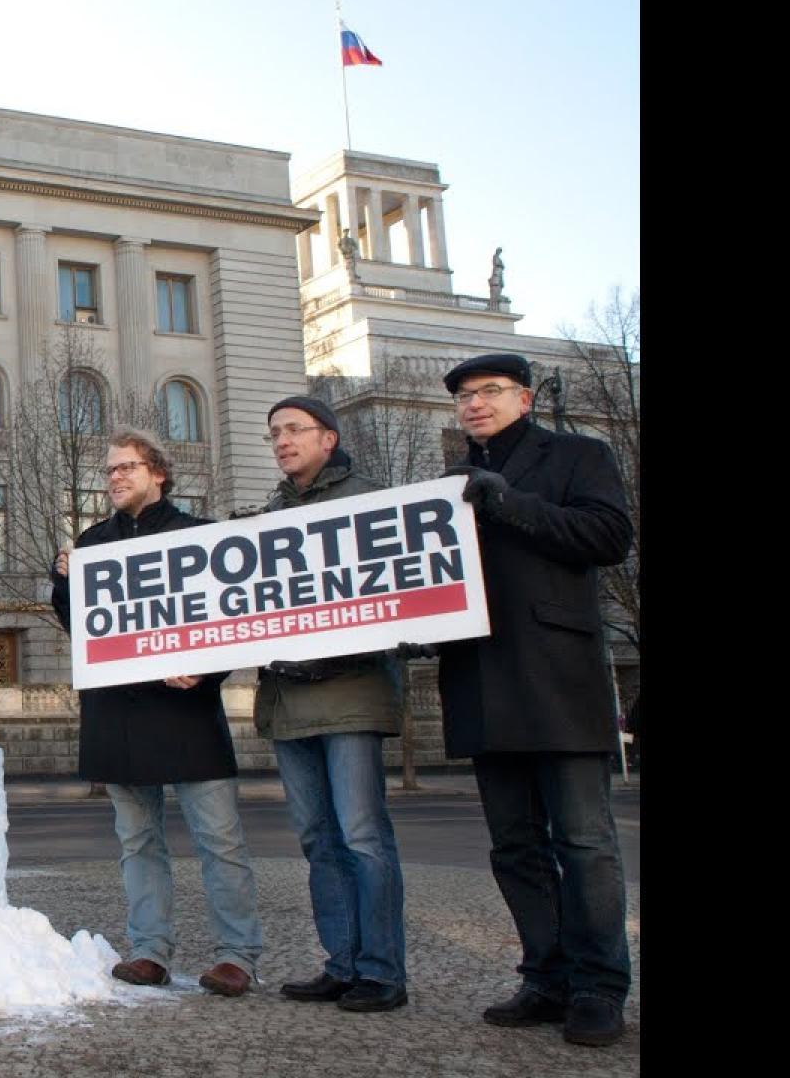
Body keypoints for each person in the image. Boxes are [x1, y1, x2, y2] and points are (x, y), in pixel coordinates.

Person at [436, 353, 635, 1047]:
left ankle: (598, 986)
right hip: (482, 679)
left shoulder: (579, 455)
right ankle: (544, 976)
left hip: (558, 678)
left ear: (523, 397)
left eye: (489, 392)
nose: (474, 404)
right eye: (464, 396)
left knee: (584, 843)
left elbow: (609, 536)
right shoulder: (447, 484)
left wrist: (507, 502)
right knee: (515, 846)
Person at [49, 430, 263, 996]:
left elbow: (230, 619)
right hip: (116, 712)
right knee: (138, 842)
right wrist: (63, 582)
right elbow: (83, 631)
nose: (115, 477)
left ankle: (237, 955)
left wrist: (209, 671)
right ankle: (149, 951)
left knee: (220, 840)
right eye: (110, 470)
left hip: (185, 710)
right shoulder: (91, 544)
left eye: (127, 468)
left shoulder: (202, 537)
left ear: (158, 473)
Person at [254, 396, 410, 1012]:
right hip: (289, 700)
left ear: (329, 437)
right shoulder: (270, 512)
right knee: (319, 839)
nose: (282, 441)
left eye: (295, 429)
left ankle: (381, 970)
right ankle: (342, 962)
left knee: (363, 836)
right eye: (274, 433)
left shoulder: (370, 499)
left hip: (350, 696)